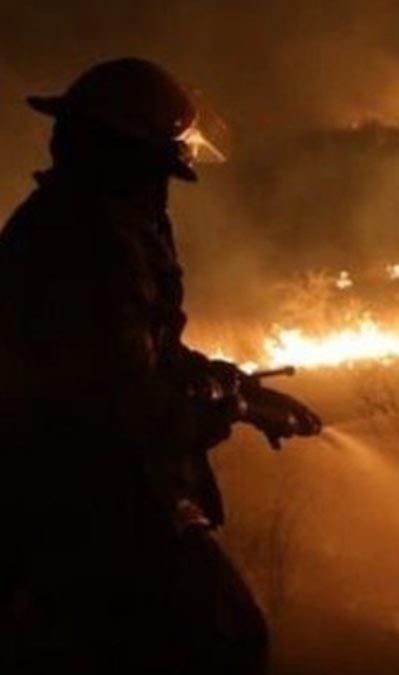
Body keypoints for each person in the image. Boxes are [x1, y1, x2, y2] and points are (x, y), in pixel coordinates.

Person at [0, 58, 321, 674]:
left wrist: (236, 385)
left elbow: (148, 355)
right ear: (131, 160)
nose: (166, 188)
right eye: (162, 171)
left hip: (80, 503)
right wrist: (235, 403)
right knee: (223, 638)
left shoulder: (83, 226)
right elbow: (127, 398)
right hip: (89, 509)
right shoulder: (89, 243)